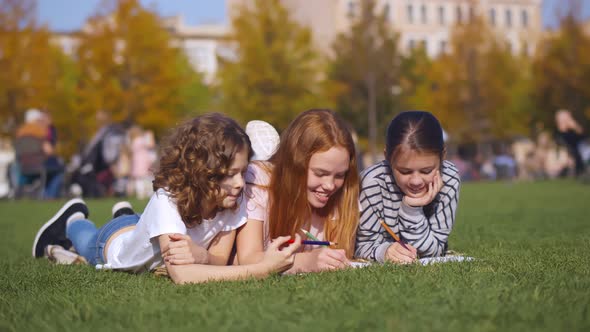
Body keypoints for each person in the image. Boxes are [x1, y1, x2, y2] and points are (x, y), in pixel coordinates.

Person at [32, 113, 299, 284]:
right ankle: (73, 218)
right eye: (230, 174)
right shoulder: (167, 200)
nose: (241, 183)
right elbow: (182, 275)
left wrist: (201, 256)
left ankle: (126, 217)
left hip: (146, 231)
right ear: (200, 172)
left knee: (137, 226)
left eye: (242, 172)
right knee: (87, 240)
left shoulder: (231, 200)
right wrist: (264, 269)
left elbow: (216, 260)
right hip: (113, 245)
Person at [235, 109, 360, 273]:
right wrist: (305, 262)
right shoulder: (259, 181)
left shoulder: (344, 194)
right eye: (320, 173)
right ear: (295, 165)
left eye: (340, 175)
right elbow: (248, 258)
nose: (330, 185)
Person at [355, 111, 461, 264]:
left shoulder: (448, 179)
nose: (416, 181)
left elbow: (435, 249)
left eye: (426, 171)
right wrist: (384, 252)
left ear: (443, 157)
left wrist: (411, 210)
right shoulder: (372, 182)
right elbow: (361, 246)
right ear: (387, 157)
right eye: (405, 171)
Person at [555, 109, 586, 176]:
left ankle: (581, 171)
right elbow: (563, 142)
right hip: (571, 150)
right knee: (575, 153)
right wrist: (564, 129)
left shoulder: (572, 129)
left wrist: (575, 127)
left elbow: (583, 137)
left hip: (580, 148)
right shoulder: (559, 132)